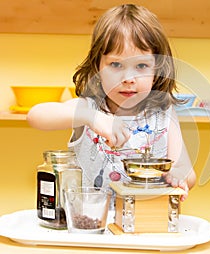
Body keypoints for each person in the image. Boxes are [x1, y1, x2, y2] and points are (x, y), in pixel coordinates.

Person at [27, 4, 196, 201]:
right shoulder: (89, 108)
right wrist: (91, 117)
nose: (128, 78)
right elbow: (36, 116)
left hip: (143, 224)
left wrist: (178, 176)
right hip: (91, 223)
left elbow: (186, 170)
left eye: (141, 65)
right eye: (116, 65)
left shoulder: (163, 113)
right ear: (97, 66)